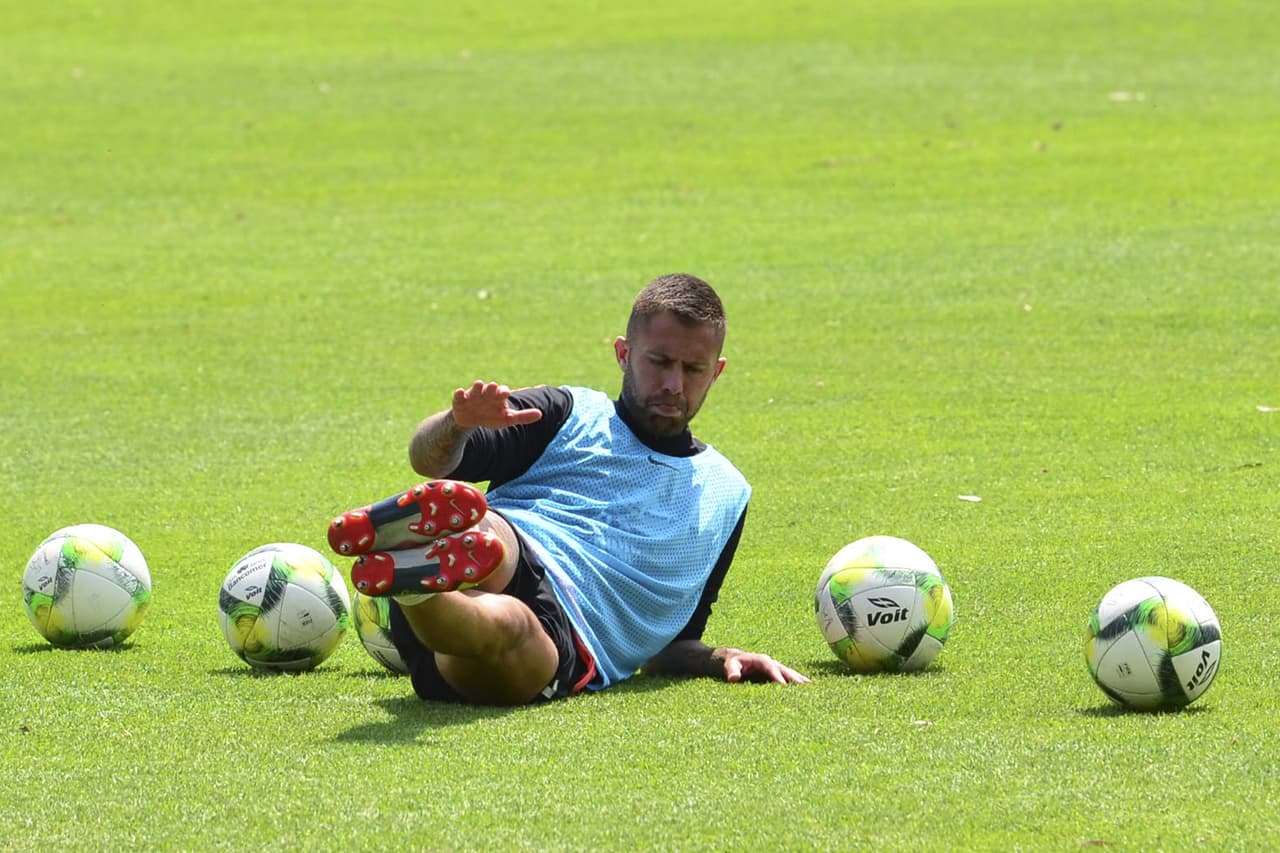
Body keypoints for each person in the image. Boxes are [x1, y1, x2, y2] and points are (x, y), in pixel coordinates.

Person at [328, 273, 809, 705]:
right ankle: (428, 550)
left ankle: (413, 581)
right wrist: (456, 424)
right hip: (502, 549)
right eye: (658, 362)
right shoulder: (566, 412)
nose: (672, 384)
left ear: (717, 371)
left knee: (511, 626)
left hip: (558, 634)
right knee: (488, 530)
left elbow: (671, 644)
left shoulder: (727, 493)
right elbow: (427, 461)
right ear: (623, 353)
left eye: (692, 370)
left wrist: (720, 656)